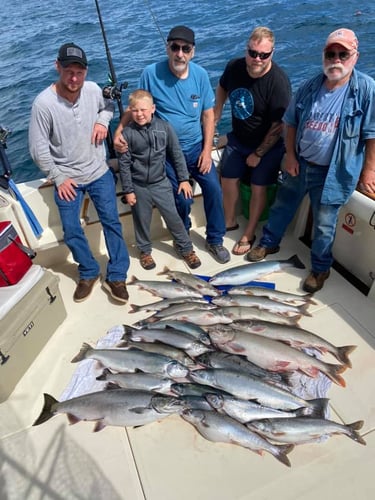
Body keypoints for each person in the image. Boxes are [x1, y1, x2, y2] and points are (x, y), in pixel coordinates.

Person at [248, 28, 375, 293]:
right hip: (301, 163)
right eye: (331, 53)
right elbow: (290, 122)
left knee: (324, 224)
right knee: (283, 205)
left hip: (334, 173)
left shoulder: (366, 89)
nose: (336, 59)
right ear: (324, 55)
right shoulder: (309, 85)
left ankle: (320, 269)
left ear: (355, 56)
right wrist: (291, 155)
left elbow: (372, 134)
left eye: (343, 54)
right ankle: (269, 242)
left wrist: (369, 172)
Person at [114, 26, 230, 264]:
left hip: (197, 148)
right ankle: (182, 236)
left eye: (185, 49)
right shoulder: (150, 73)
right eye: (174, 47)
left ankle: (215, 239)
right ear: (167, 48)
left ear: (192, 52)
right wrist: (118, 131)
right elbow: (137, 105)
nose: (179, 53)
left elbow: (209, 115)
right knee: (182, 198)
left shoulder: (200, 75)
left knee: (215, 190)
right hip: (165, 153)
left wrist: (207, 151)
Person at [29, 43, 130, 303]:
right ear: (57, 67)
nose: (74, 78)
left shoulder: (94, 89)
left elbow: (107, 106)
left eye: (80, 72)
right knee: (71, 229)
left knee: (112, 222)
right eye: (68, 71)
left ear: (86, 71)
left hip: (98, 170)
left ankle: (117, 275)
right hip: (67, 178)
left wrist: (102, 120)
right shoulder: (43, 104)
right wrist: (58, 177)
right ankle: (88, 271)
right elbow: (38, 150)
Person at [214, 26, 291, 256]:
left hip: (268, 145)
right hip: (238, 138)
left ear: (272, 53)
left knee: (259, 186)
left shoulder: (278, 82)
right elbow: (222, 87)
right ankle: (229, 221)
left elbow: (279, 126)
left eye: (263, 55)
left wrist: (258, 153)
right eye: (253, 52)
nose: (257, 58)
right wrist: (216, 115)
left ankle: (249, 233)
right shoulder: (234, 66)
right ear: (247, 49)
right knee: (227, 177)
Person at [118, 89, 201, 270]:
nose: (139, 114)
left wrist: (183, 179)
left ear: (153, 108)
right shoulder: (127, 134)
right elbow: (124, 165)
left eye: (143, 110)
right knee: (141, 220)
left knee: (174, 218)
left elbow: (176, 154)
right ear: (130, 111)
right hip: (139, 186)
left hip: (161, 183)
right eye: (135, 110)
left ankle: (186, 248)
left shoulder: (164, 127)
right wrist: (128, 190)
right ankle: (145, 251)